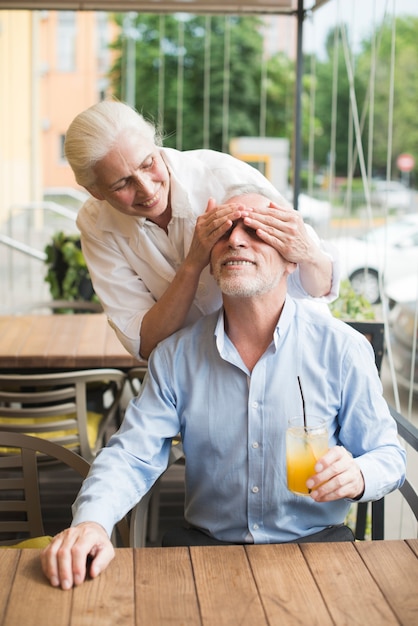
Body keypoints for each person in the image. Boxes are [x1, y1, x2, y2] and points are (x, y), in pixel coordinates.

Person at [41, 186, 405, 590]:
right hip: (205, 551)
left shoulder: (341, 348)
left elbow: (389, 454)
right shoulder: (176, 356)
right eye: (224, 231)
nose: (235, 239)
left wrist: (358, 473)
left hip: (318, 547)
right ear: (211, 262)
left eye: (256, 230)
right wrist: (91, 523)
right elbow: (131, 455)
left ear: (291, 260)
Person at [65, 99, 340, 359]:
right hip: (196, 369)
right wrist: (193, 263)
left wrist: (308, 253)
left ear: (156, 145)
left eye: (148, 163)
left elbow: (317, 286)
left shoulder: (225, 179)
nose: (147, 189)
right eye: (121, 184)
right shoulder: (96, 224)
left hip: (294, 350)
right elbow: (145, 343)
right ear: (95, 192)